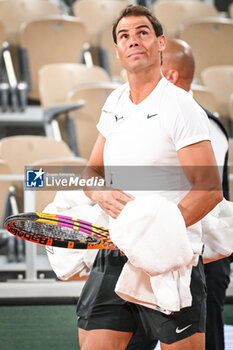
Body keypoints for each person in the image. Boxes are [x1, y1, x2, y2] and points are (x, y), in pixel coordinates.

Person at [76, 5, 223, 350]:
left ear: (160, 43)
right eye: (123, 36)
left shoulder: (180, 106)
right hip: (114, 253)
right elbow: (91, 172)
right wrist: (99, 194)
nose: (133, 41)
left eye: (142, 32)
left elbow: (210, 190)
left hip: (170, 257)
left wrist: (158, 234)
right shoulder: (114, 102)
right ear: (116, 50)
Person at [161, 37, 232, 350]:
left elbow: (204, 192)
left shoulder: (201, 123)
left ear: (171, 75)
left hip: (201, 257)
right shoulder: (158, 118)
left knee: (207, 342)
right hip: (164, 249)